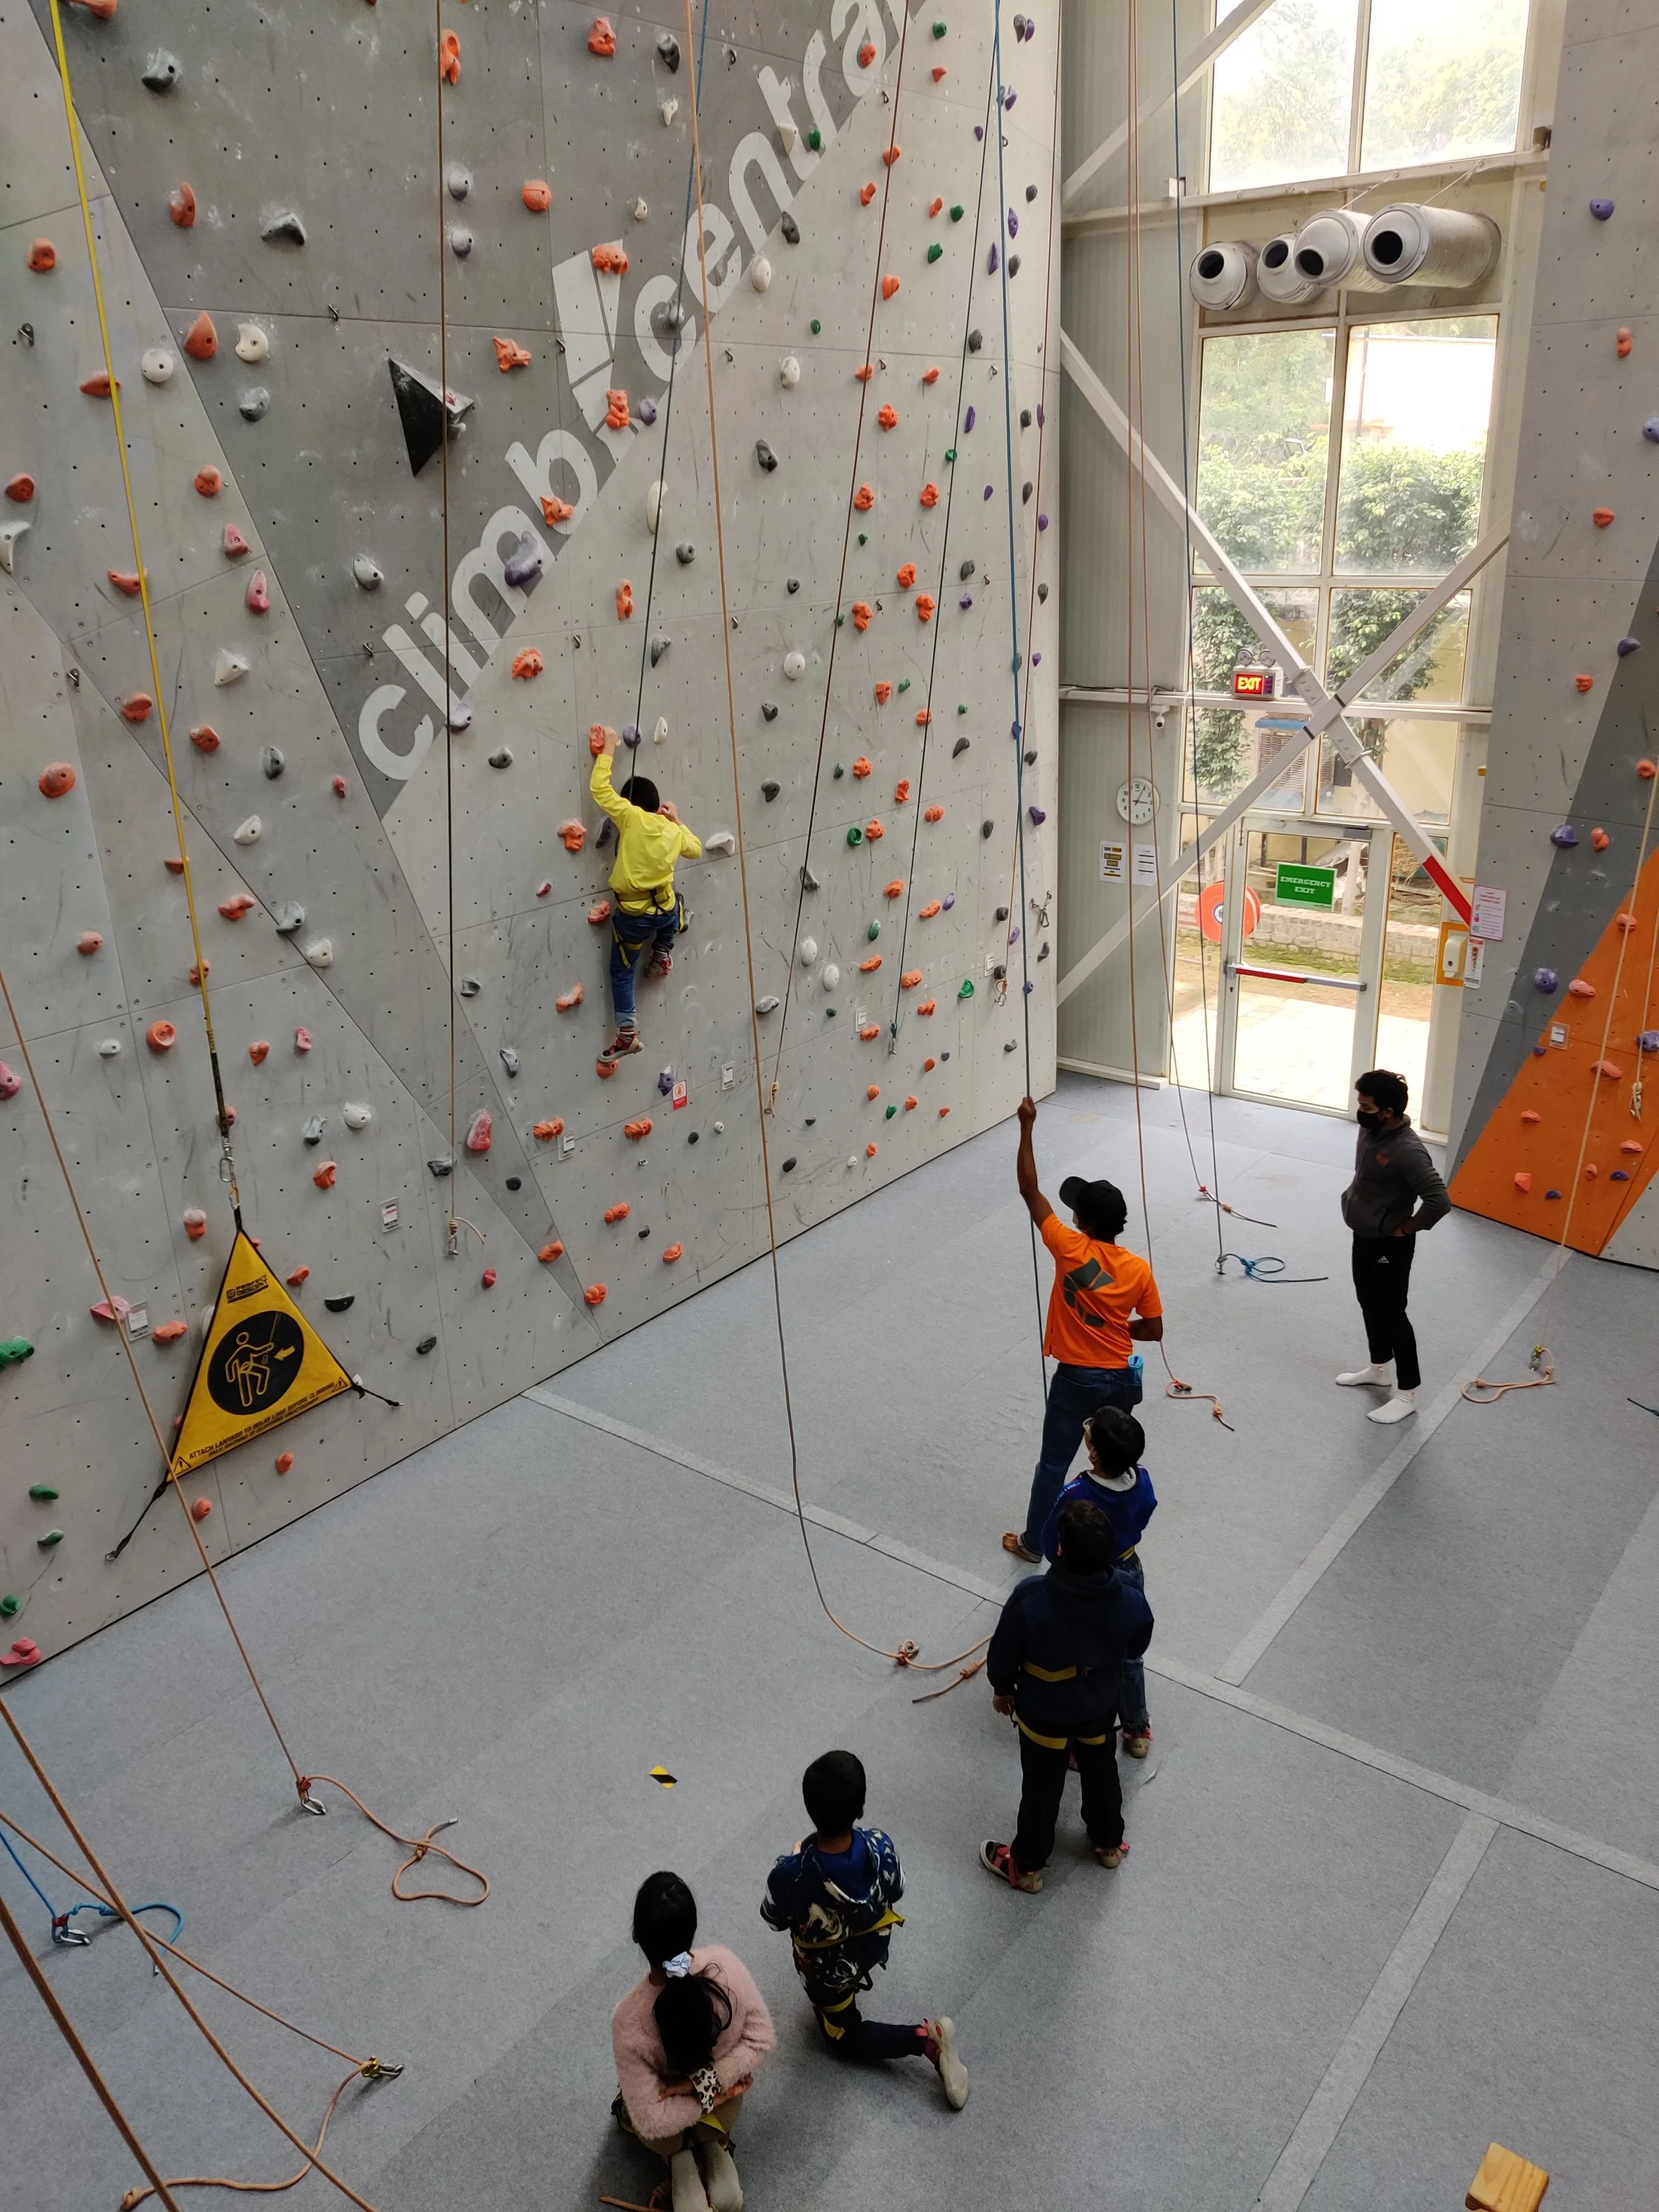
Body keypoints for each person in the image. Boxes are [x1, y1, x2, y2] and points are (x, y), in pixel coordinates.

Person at [760, 1748, 969, 2109]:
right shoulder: (880, 1846)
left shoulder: (790, 1875)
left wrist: (793, 1859)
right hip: (871, 1948)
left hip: (828, 1972)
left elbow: (773, 1918)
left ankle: (927, 2041)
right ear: (861, 1807)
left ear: (810, 1810)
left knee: (840, 2037)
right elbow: (898, 1888)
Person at [1005, 1094, 1163, 1564]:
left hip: (1076, 1378)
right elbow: (1153, 1329)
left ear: (1085, 1222)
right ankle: (1112, 1541)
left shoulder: (1068, 1246)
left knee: (1054, 1463)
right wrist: (1118, 1325)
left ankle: (1035, 1543)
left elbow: (1031, 1190)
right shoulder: (1138, 1269)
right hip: (1120, 1378)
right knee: (1115, 1462)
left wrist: (1028, 1127)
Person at [981, 1497, 1155, 1892]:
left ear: (1059, 1548)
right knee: (1101, 1771)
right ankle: (1109, 1842)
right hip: (1099, 1706)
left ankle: (1027, 1865)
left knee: (1042, 1786)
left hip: (1044, 1711)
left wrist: (1003, 1689)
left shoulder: (1032, 1597)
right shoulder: (1129, 1594)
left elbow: (1004, 1651)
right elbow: (1138, 1643)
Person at [611, 1870, 775, 2212]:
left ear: (637, 1936)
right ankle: (713, 2148)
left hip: (668, 2128)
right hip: (726, 2107)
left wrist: (690, 2086)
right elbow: (762, 2040)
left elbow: (651, 2121)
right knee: (725, 2190)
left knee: (630, 2112)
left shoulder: (628, 2021)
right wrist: (713, 2088)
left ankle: (680, 2159)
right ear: (692, 1928)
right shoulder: (726, 1964)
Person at [1039, 1405, 1156, 1759]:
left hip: (1082, 1581)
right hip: (1128, 1569)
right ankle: (1136, 1727)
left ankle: (1079, 1736)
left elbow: (1050, 1539)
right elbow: (1146, 1510)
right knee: (1129, 1657)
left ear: (1093, 1452)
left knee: (1078, 1657)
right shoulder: (1143, 1478)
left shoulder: (1077, 1492)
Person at [1337, 1069, 1450, 1426]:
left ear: (1387, 1111)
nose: (1360, 1110)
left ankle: (1408, 1392)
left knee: (1391, 1312)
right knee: (1367, 1300)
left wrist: (1408, 1227)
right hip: (1364, 1232)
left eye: (1366, 1105)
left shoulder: (1408, 1150)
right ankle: (1379, 1368)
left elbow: (1439, 1200)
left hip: (1390, 1243)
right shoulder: (1370, 1130)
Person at [590, 726, 701, 1063]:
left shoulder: (629, 816)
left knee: (622, 972)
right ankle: (663, 952)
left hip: (635, 918)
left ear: (631, 804)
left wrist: (609, 746)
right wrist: (678, 819)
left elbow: (599, 789)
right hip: (665, 909)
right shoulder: (670, 828)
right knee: (673, 909)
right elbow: (695, 850)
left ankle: (626, 1035)